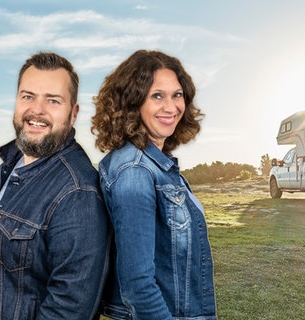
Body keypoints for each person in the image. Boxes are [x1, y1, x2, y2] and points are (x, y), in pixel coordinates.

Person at [0, 52, 109, 320]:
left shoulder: (78, 193)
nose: (37, 110)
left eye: (53, 101)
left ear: (73, 113)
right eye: (28, 96)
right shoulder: (5, 168)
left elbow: (70, 309)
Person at [91, 49, 217, 319]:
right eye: (157, 96)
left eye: (177, 95)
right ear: (132, 102)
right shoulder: (135, 170)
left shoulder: (155, 163)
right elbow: (137, 286)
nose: (171, 107)